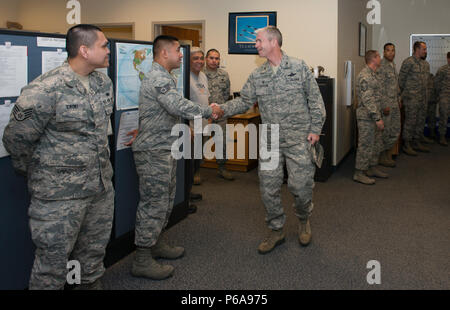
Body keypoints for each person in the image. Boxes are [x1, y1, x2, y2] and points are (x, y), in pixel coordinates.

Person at [2, 24, 114, 290]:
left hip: (99, 190)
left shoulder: (103, 82)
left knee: (93, 259)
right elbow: (16, 140)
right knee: (51, 269)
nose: (109, 51)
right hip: (59, 198)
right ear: (84, 50)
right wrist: (45, 173)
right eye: (104, 45)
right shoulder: (45, 89)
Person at [218, 26, 326, 254]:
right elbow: (243, 101)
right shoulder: (258, 75)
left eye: (258, 41)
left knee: (301, 188)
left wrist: (316, 129)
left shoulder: (298, 67)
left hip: (299, 137)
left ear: (273, 42)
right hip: (270, 140)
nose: (255, 45)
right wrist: (220, 110)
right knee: (268, 189)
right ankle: (276, 230)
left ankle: (304, 219)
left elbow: (315, 100)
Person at [129, 35, 222, 280]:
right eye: (177, 51)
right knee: (153, 204)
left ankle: (157, 244)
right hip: (153, 152)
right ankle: (141, 258)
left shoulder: (166, 76)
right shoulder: (158, 77)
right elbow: (176, 106)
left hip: (165, 148)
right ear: (163, 53)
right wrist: (207, 110)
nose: (182, 55)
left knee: (165, 200)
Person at [353, 50, 387, 185]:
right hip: (366, 117)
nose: (381, 58)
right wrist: (377, 118)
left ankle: (371, 167)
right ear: (373, 59)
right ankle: (359, 172)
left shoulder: (374, 74)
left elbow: (376, 95)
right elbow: (368, 100)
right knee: (365, 144)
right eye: (379, 56)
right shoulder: (365, 76)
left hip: (373, 115)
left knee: (374, 143)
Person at [204, 48, 234, 181]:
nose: (214, 61)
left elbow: (227, 93)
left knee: (222, 142)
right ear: (206, 59)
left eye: (217, 58)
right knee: (200, 142)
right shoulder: (199, 74)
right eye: (211, 58)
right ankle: (196, 171)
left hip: (221, 114)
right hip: (204, 115)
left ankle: (222, 168)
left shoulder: (224, 75)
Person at [399, 41, 430, 155]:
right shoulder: (408, 62)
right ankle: (407, 144)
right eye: (424, 49)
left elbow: (427, 82)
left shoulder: (425, 64)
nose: (425, 51)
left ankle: (417, 141)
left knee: (420, 120)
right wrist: (405, 95)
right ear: (417, 49)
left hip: (423, 98)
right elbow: (401, 81)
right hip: (412, 98)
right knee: (410, 122)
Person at [377, 43, 401, 168]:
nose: (391, 53)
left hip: (394, 103)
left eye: (393, 50)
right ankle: (382, 156)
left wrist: (399, 99)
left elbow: (395, 85)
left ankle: (387, 153)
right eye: (388, 50)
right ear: (384, 52)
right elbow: (380, 88)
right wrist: (384, 105)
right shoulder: (381, 66)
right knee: (385, 131)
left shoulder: (392, 65)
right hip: (387, 105)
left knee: (395, 130)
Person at [435, 52, 450, 146]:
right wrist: (440, 95)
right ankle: (442, 137)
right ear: (447, 58)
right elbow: (436, 84)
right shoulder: (442, 70)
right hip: (445, 97)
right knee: (443, 117)